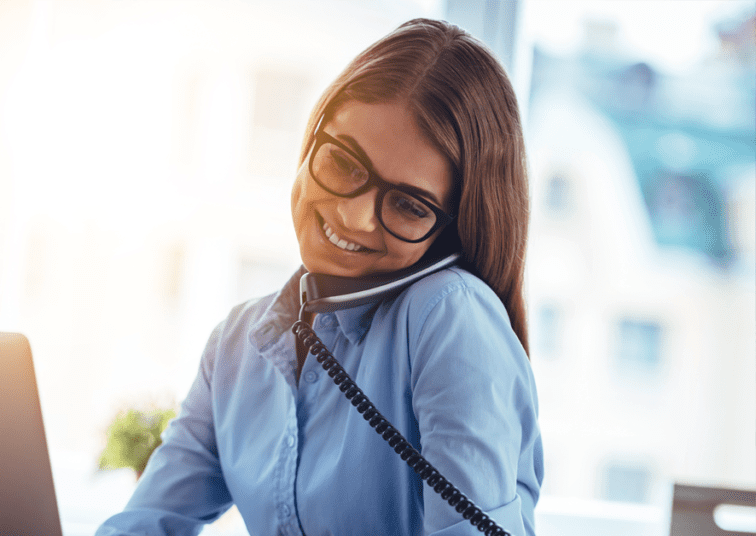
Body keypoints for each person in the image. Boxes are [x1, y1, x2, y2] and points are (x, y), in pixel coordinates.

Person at [98, 18, 543, 536]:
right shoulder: (238, 342)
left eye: (407, 204)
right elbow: (148, 521)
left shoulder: (448, 315)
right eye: (345, 163)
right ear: (312, 139)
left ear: (448, 235)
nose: (355, 217)